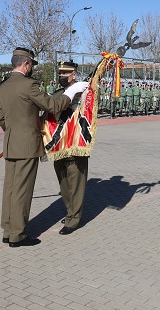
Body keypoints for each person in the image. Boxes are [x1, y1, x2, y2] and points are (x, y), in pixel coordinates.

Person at [0, 47, 88, 247]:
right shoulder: (29, 85)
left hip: (11, 143)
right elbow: (53, 106)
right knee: (22, 190)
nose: (32, 70)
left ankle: (8, 229)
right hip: (27, 144)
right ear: (26, 64)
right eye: (31, 66)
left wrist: (14, 132)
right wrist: (72, 92)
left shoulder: (4, 86)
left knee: (10, 189)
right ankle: (18, 235)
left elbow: (1, 119)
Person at [50, 61, 89, 235]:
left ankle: (74, 218)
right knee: (63, 181)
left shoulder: (84, 92)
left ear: (74, 75)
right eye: (60, 74)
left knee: (76, 182)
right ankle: (70, 211)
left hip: (75, 143)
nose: (62, 77)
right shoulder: (58, 93)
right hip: (58, 143)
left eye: (66, 74)